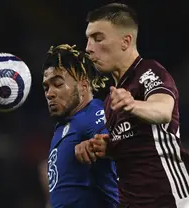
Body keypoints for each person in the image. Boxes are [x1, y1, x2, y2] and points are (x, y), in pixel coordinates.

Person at [75, 3, 189, 208]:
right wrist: (106, 147)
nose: (88, 48)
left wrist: (133, 104)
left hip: (167, 201)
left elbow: (163, 109)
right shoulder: (111, 99)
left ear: (126, 41)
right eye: (88, 39)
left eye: (98, 38)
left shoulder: (148, 72)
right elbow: (138, 143)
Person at [41, 44, 119, 208]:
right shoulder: (62, 128)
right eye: (46, 87)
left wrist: (99, 144)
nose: (50, 93)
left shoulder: (94, 113)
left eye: (58, 84)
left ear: (83, 86)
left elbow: (118, 138)